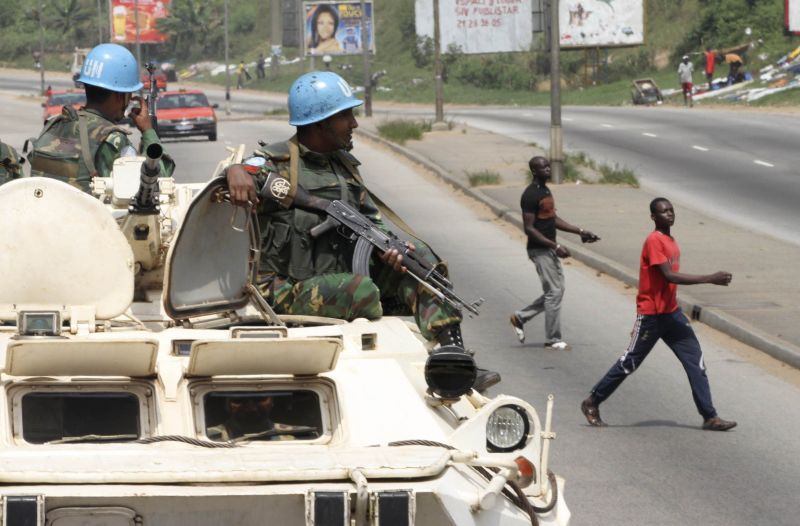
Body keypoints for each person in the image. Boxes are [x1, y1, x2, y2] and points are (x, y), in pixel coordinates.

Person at [224, 71, 500, 393]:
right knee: (360, 289)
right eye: (346, 116)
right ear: (319, 122)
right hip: (284, 289)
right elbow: (240, 174)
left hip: (338, 276)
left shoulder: (344, 167)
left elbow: (372, 222)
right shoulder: (276, 164)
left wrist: (393, 250)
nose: (354, 124)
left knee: (421, 260)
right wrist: (236, 170)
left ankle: (455, 359)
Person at [580, 198, 737, 432]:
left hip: (672, 314)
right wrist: (709, 278)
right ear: (653, 217)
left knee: (696, 363)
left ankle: (710, 416)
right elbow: (669, 276)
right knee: (629, 363)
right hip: (651, 316)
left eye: (671, 210)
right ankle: (592, 401)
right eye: (663, 212)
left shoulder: (670, 240)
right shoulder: (654, 241)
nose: (669, 215)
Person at [27, 43, 174, 194]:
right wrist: (148, 132)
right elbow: (154, 182)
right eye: (128, 94)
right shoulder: (113, 139)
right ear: (119, 95)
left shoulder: (53, 124)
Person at [510, 156, 599, 350]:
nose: (548, 170)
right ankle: (553, 339)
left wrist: (580, 231)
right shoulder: (531, 194)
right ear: (535, 171)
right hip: (539, 250)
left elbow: (552, 219)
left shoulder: (545, 190)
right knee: (554, 292)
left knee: (555, 292)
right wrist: (555, 246)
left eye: (548, 167)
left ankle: (520, 317)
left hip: (548, 248)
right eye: (544, 168)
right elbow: (529, 228)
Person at [206, 395, 298, 442]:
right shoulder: (205, 437)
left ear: (272, 402)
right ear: (227, 404)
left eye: (260, 399)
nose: (251, 408)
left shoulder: (296, 436)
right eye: (239, 400)